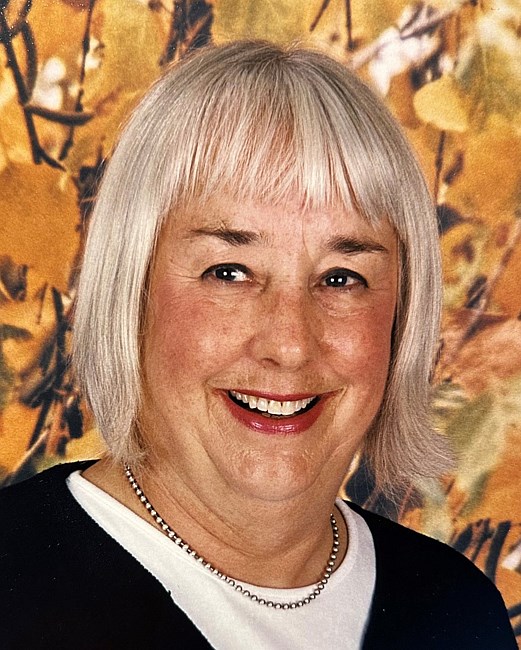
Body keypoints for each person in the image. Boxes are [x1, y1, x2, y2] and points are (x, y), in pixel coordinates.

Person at [0, 41, 516, 649]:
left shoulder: (457, 612)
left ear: (402, 317)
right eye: (229, 272)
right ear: (132, 291)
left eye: (341, 278)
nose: (290, 344)